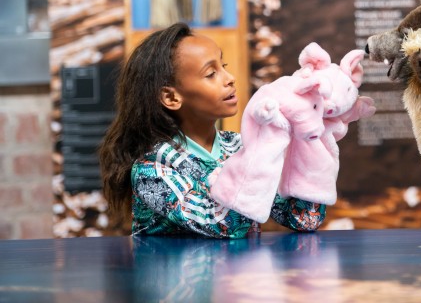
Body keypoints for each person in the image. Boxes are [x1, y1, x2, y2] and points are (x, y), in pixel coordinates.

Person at [98, 22, 326, 237]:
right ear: (171, 97)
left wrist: (309, 139)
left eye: (223, 66)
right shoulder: (151, 171)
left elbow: (304, 219)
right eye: (211, 73)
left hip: (241, 278)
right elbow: (223, 226)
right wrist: (266, 148)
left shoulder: (239, 146)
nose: (230, 78)